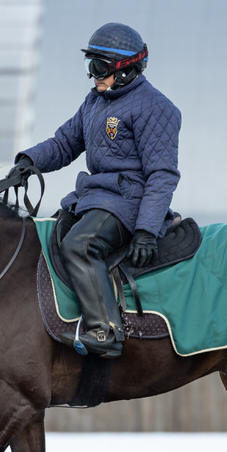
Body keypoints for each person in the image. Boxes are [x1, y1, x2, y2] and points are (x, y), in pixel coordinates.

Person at [13, 22, 182, 358]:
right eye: (90, 67)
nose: (93, 76)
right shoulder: (94, 102)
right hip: (98, 199)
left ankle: (105, 331)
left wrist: (147, 230)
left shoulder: (155, 107)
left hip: (130, 202)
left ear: (123, 68)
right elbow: (65, 142)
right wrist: (29, 161)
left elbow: (162, 175)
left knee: (80, 245)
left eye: (98, 68)